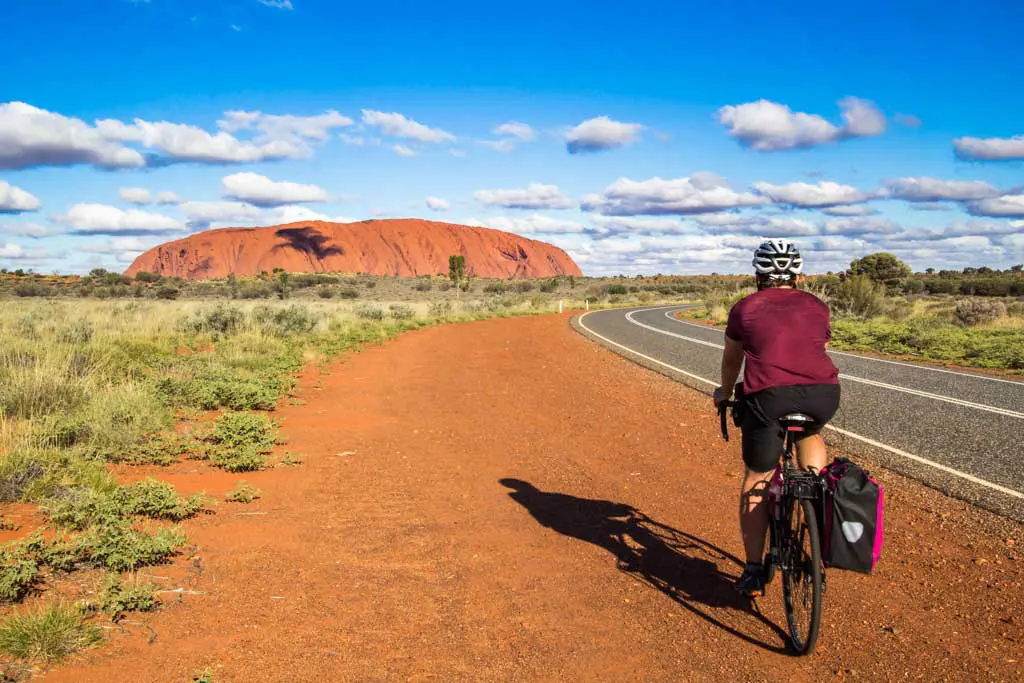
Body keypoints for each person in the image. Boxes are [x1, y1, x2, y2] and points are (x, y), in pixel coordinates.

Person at [712, 239, 840, 597]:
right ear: (797, 275)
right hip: (822, 394)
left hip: (767, 397)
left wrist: (724, 392)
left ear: (759, 274)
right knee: (808, 433)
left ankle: (754, 569)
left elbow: (732, 357)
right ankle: (814, 495)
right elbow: (819, 348)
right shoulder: (817, 306)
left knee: (757, 476)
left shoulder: (745, 308)